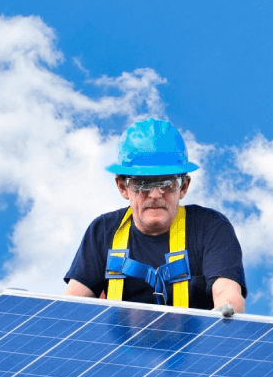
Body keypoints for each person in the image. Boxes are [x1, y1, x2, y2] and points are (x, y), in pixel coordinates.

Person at [64, 118, 246, 314]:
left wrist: (225, 317)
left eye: (167, 183)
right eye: (143, 184)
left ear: (183, 187)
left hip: (194, 343)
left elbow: (227, 293)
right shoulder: (102, 231)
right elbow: (72, 306)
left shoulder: (210, 227)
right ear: (123, 187)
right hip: (120, 343)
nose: (156, 194)